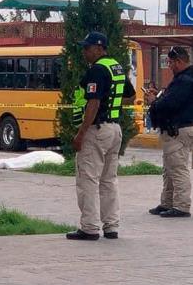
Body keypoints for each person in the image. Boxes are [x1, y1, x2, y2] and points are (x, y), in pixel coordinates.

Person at [66, 31, 136, 241]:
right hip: (114, 129)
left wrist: (81, 133)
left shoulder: (97, 70)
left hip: (96, 130)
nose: (84, 52)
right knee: (108, 180)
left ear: (99, 48)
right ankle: (111, 226)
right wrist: (112, 105)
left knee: (88, 179)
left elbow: (93, 103)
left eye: (87, 48)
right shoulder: (116, 67)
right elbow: (131, 96)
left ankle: (89, 228)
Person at [146, 46, 193, 218]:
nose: (169, 66)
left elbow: (171, 104)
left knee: (178, 168)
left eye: (171, 62)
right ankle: (167, 203)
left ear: (179, 61)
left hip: (178, 130)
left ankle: (181, 206)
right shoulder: (183, 79)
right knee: (170, 168)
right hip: (175, 130)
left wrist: (154, 101)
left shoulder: (185, 81)